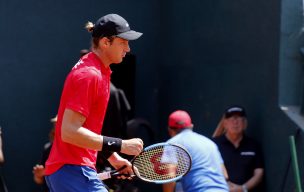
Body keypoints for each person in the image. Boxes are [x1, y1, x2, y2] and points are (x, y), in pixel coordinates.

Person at [44, 14, 144, 192]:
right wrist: (121, 145)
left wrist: (113, 157)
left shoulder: (99, 71)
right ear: (106, 42)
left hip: (73, 171)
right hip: (72, 170)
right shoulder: (90, 75)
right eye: (123, 42)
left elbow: (88, 130)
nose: (128, 49)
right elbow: (69, 131)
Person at [163, 110, 228, 192]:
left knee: (178, 186)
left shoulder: (172, 143)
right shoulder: (210, 143)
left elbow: (169, 179)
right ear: (191, 126)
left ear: (170, 130)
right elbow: (225, 176)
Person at [212, 106, 264, 192]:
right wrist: (226, 186)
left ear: (245, 124)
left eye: (239, 119)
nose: (235, 122)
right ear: (225, 124)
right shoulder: (214, 145)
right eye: (231, 119)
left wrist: (242, 188)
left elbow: (259, 173)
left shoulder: (254, 145)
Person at [32, 115, 56, 191]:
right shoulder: (48, 148)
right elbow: (39, 180)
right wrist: (38, 175)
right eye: (54, 125)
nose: (54, 130)